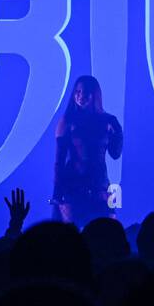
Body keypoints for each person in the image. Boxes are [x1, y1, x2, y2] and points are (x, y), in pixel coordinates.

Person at [51, 75, 123, 227]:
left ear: (94, 95)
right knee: (71, 239)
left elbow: (115, 154)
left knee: (109, 234)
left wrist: (117, 132)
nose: (80, 96)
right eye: (77, 91)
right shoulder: (67, 121)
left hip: (101, 186)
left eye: (85, 92)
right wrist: (57, 194)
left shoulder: (108, 120)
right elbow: (59, 160)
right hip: (74, 188)